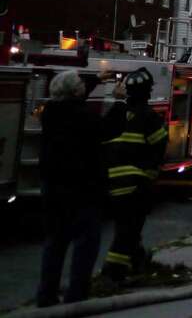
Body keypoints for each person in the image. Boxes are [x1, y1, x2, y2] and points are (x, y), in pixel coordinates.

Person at [36, 70, 120, 307]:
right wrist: (120, 100)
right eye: (81, 85)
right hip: (84, 189)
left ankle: (46, 296)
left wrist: (97, 79)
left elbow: (74, 98)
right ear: (75, 91)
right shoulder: (84, 118)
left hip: (53, 189)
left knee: (55, 243)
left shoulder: (51, 113)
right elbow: (109, 129)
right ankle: (77, 297)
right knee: (86, 243)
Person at [101, 67, 167, 281]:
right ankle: (113, 273)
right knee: (127, 232)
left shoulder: (116, 114)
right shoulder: (149, 117)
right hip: (135, 184)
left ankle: (138, 261)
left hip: (111, 183)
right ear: (148, 92)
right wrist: (149, 177)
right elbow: (159, 148)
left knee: (127, 228)